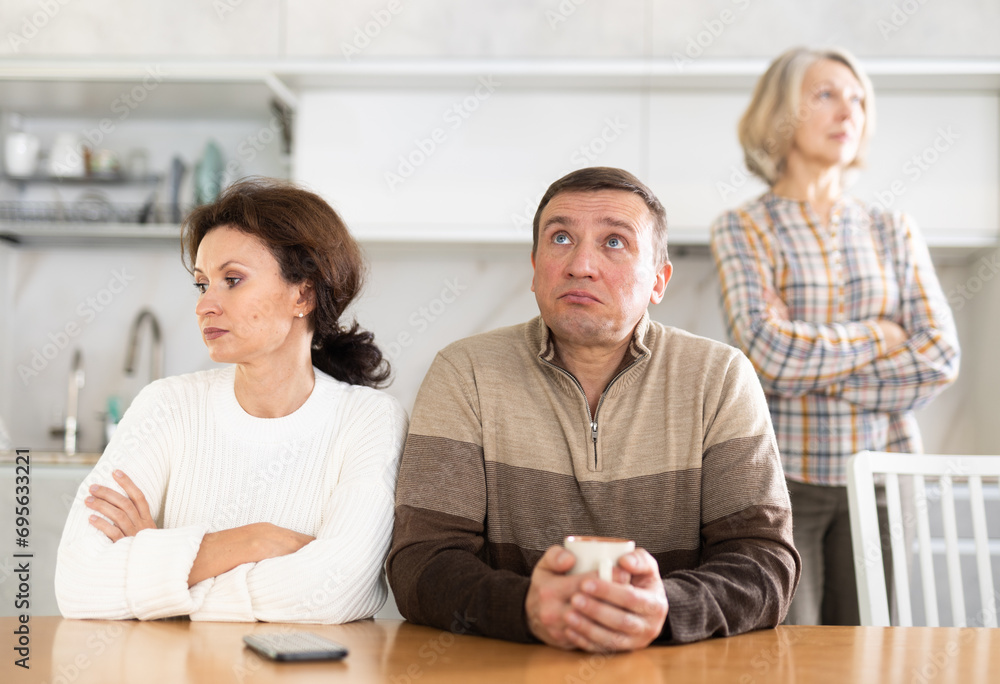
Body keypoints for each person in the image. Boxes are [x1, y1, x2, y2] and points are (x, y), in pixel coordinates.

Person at [387, 166, 800, 651]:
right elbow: (420, 562)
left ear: (659, 280)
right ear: (535, 267)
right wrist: (525, 607)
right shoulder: (465, 372)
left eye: (614, 242)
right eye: (561, 238)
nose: (580, 265)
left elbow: (765, 563)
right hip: (509, 665)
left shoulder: (720, 376)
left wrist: (667, 608)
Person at [55, 178, 408, 622]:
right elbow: (78, 582)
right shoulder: (166, 406)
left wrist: (161, 567)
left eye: (232, 280)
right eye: (202, 284)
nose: (204, 305)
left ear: (303, 294)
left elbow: (335, 591)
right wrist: (255, 540)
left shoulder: (370, 420)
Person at [709, 47, 960, 626]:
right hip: (782, 479)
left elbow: (939, 356)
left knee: (870, 646)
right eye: (825, 94)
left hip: (883, 476)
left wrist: (807, 362)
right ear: (780, 111)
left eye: (858, 99)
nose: (849, 112)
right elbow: (767, 354)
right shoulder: (743, 227)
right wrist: (882, 334)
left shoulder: (892, 229)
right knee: (788, 646)